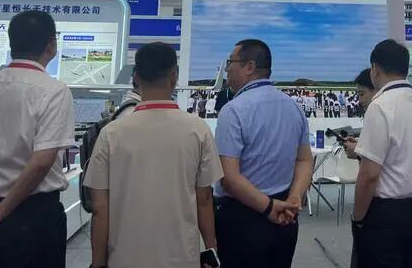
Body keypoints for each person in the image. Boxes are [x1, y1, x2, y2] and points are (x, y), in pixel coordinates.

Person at [0, 10, 75, 268]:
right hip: (35, 217)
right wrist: (3, 211)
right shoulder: (54, 91)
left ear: (11, 43)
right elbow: (41, 162)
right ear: (51, 44)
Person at [85, 42, 223, 268]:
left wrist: (98, 263)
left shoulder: (111, 133)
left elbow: (100, 208)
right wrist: (211, 249)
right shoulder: (198, 130)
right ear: (174, 76)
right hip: (181, 258)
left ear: (136, 77)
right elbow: (204, 199)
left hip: (125, 258)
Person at [214, 39, 313, 268]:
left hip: (243, 221)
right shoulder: (293, 107)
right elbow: (305, 159)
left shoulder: (233, 111)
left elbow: (228, 177)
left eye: (230, 62)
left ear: (249, 66)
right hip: (286, 218)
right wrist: (294, 198)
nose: (227, 69)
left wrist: (269, 207)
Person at [352, 39, 412, 268]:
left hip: (385, 214)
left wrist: (358, 218)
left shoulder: (381, 105)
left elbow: (369, 176)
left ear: (375, 69)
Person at [344, 69, 376, 159]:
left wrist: (359, 152)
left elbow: (380, 156)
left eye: (361, 94)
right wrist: (359, 145)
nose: (360, 100)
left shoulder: (378, 115)